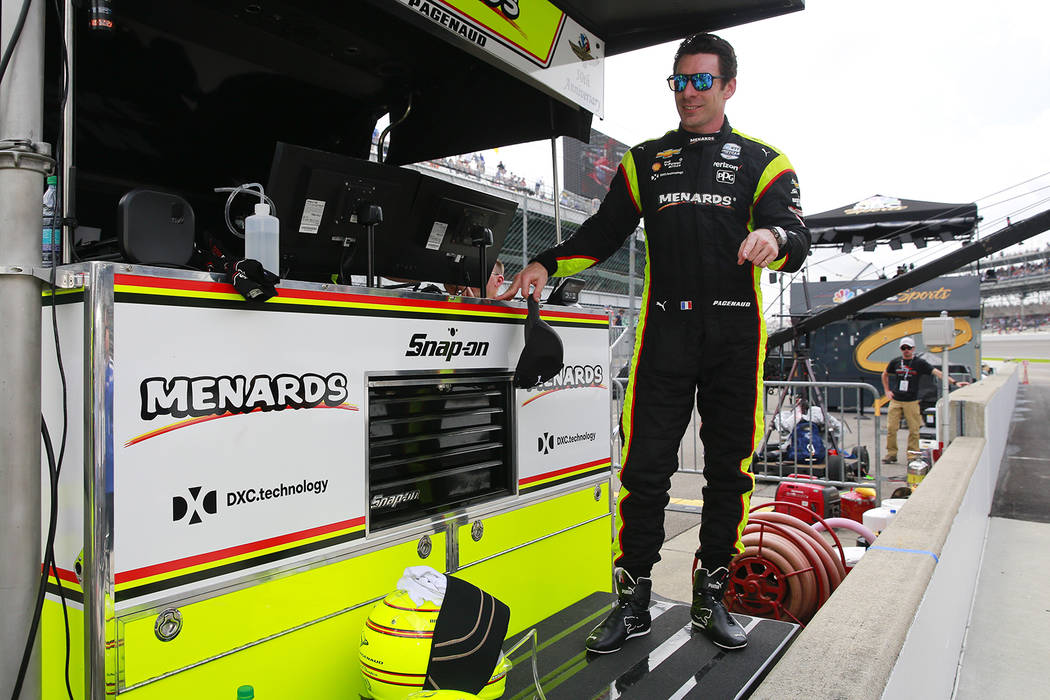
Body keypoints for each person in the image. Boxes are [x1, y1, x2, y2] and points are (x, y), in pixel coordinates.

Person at [496, 33, 809, 653]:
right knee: (643, 473)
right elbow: (603, 233)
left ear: (728, 87)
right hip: (664, 334)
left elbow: (799, 235)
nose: (688, 93)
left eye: (701, 81)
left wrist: (773, 237)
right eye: (679, 81)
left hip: (734, 338)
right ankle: (632, 603)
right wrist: (546, 264)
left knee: (730, 473)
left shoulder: (765, 162)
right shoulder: (644, 160)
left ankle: (710, 599)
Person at [881, 336, 968, 463]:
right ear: (901, 349)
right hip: (896, 399)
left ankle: (912, 454)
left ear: (913, 349)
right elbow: (885, 374)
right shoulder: (896, 362)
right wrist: (887, 391)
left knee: (914, 430)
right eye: (904, 348)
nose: (906, 350)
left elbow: (937, 373)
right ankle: (891, 453)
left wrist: (955, 382)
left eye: (909, 348)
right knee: (891, 428)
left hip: (911, 401)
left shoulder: (919, 363)